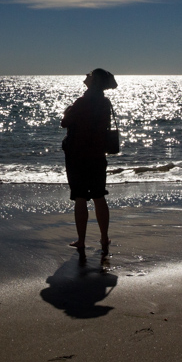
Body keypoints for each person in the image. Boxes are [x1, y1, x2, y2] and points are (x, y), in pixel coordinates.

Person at [61, 68, 117, 254]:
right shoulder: (104, 102)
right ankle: (103, 237)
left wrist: (68, 111)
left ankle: (82, 240)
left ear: (93, 81)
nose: (86, 76)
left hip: (78, 155)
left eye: (90, 75)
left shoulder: (82, 102)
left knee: (80, 197)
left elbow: (65, 122)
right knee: (99, 196)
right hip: (97, 155)